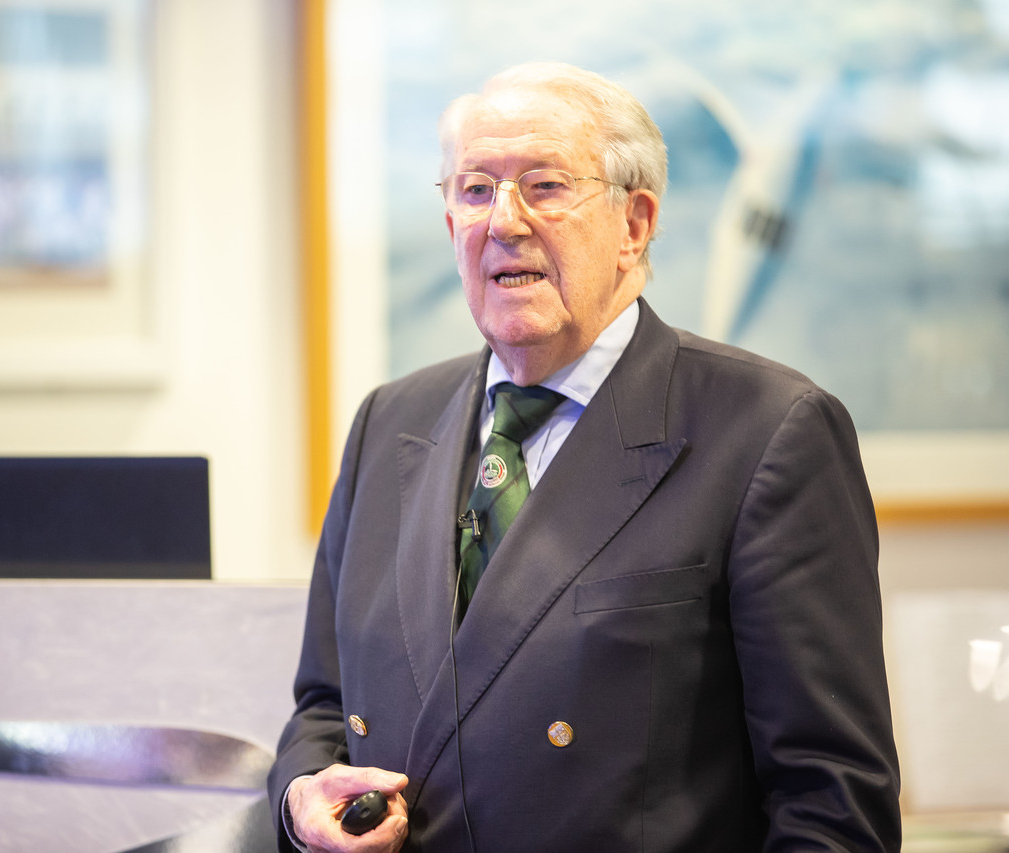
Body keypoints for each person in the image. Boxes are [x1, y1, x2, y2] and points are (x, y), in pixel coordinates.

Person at [267, 61, 901, 852]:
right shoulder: (388, 424)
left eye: (545, 186)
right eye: (474, 190)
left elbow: (830, 802)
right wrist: (299, 801)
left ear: (634, 224)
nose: (504, 220)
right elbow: (324, 708)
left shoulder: (770, 433)